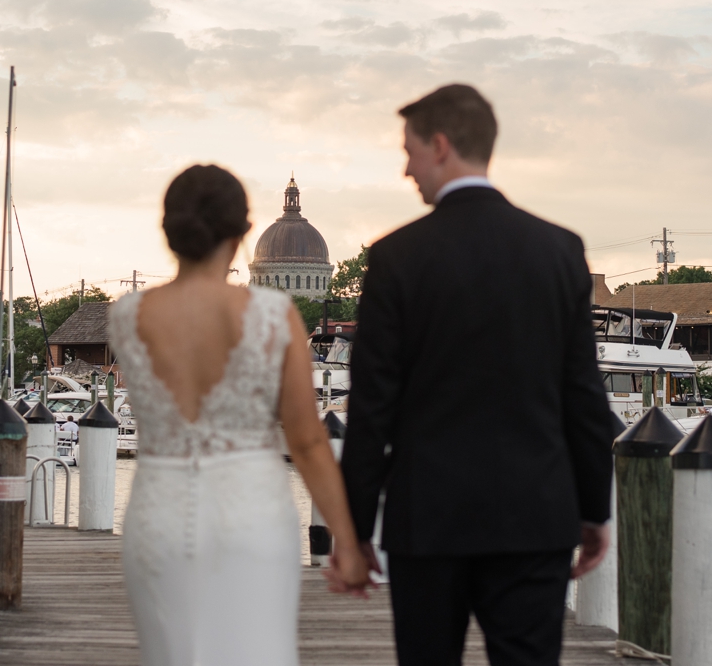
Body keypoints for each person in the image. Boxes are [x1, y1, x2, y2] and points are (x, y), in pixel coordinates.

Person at [336, 84, 615, 666]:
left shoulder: (396, 258)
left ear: (440, 145)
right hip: (534, 515)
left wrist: (355, 528)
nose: (405, 167)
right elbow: (584, 396)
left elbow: (371, 409)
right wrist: (593, 509)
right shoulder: (560, 250)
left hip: (427, 517)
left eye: (409, 149)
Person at [108, 164, 369, 666]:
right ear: (244, 234)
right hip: (250, 513)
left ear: (168, 231)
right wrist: (349, 541)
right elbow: (309, 442)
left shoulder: (128, 316)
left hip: (158, 512)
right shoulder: (274, 315)